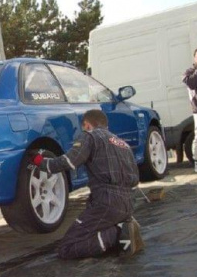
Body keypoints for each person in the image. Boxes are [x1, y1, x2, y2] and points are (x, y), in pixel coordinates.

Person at [31, 109, 144, 260]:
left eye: (83, 127)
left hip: (106, 202)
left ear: (87, 125)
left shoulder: (90, 136)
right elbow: (135, 177)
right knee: (93, 232)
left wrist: (39, 161)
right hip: (129, 203)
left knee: (67, 248)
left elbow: (68, 162)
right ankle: (122, 227)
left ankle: (117, 232)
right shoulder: (123, 144)